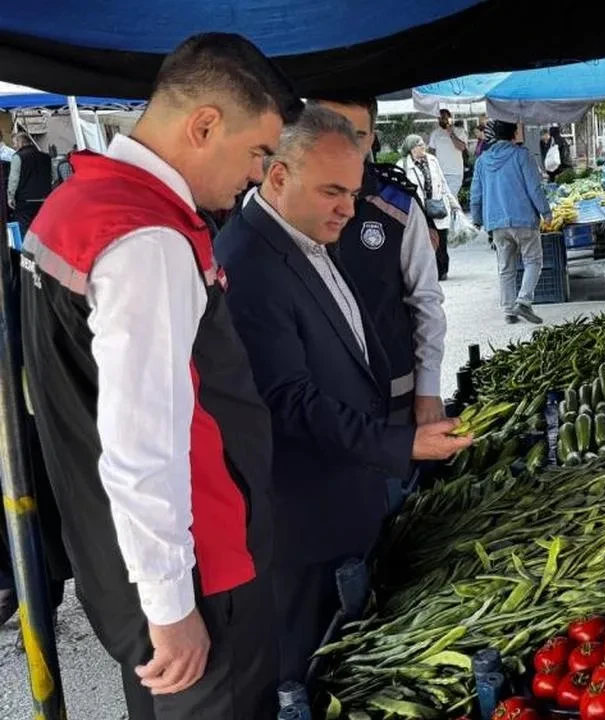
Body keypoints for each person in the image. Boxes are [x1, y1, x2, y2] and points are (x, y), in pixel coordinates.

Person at [19, 33, 299, 719]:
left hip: (127, 569)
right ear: (204, 125)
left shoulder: (77, 205)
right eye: (260, 152)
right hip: (201, 576)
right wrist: (173, 607)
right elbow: (141, 442)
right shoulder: (146, 239)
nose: (260, 176)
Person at [214, 106, 472, 684]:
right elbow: (288, 403)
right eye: (333, 191)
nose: (348, 210)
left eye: (353, 193)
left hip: (345, 495)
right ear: (277, 177)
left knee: (346, 652)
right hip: (305, 521)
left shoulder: (300, 232)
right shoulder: (251, 263)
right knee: (309, 671)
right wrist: (401, 443)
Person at [314, 97, 450, 427]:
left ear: (373, 137)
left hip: (393, 393)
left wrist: (428, 390)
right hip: (317, 401)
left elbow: (426, 300)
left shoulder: (398, 206)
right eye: (334, 131)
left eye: (357, 135)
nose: (345, 146)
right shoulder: (287, 203)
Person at [470, 120, 552, 324]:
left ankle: (508, 310)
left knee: (506, 266)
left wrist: (477, 218)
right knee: (533, 261)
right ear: (515, 133)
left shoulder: (482, 161)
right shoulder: (521, 155)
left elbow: (476, 192)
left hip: (496, 222)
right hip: (523, 218)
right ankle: (523, 301)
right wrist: (546, 212)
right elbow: (534, 188)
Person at [397, 133, 461, 280]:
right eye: (419, 145)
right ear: (412, 149)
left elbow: (443, 182)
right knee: (425, 240)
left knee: (441, 239)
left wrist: (453, 203)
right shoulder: (403, 165)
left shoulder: (432, 160)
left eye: (423, 144)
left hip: (437, 204)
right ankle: (430, 272)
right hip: (419, 208)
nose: (423, 147)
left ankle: (442, 269)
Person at [6, 133, 52, 233]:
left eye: (14, 143)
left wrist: (10, 197)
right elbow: (52, 177)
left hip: (25, 200)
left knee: (24, 229)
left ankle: (26, 248)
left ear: (20, 143)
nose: (14, 146)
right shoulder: (46, 157)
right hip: (45, 198)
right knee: (42, 228)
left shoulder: (18, 157)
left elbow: (14, 179)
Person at [428, 108, 467, 195]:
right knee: (446, 201)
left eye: (444, 118)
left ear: (450, 118)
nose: (442, 120)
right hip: (440, 173)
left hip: (455, 172)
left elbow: (461, 147)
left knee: (451, 198)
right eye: (439, 118)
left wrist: (451, 134)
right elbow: (431, 153)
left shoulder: (460, 131)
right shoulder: (435, 133)